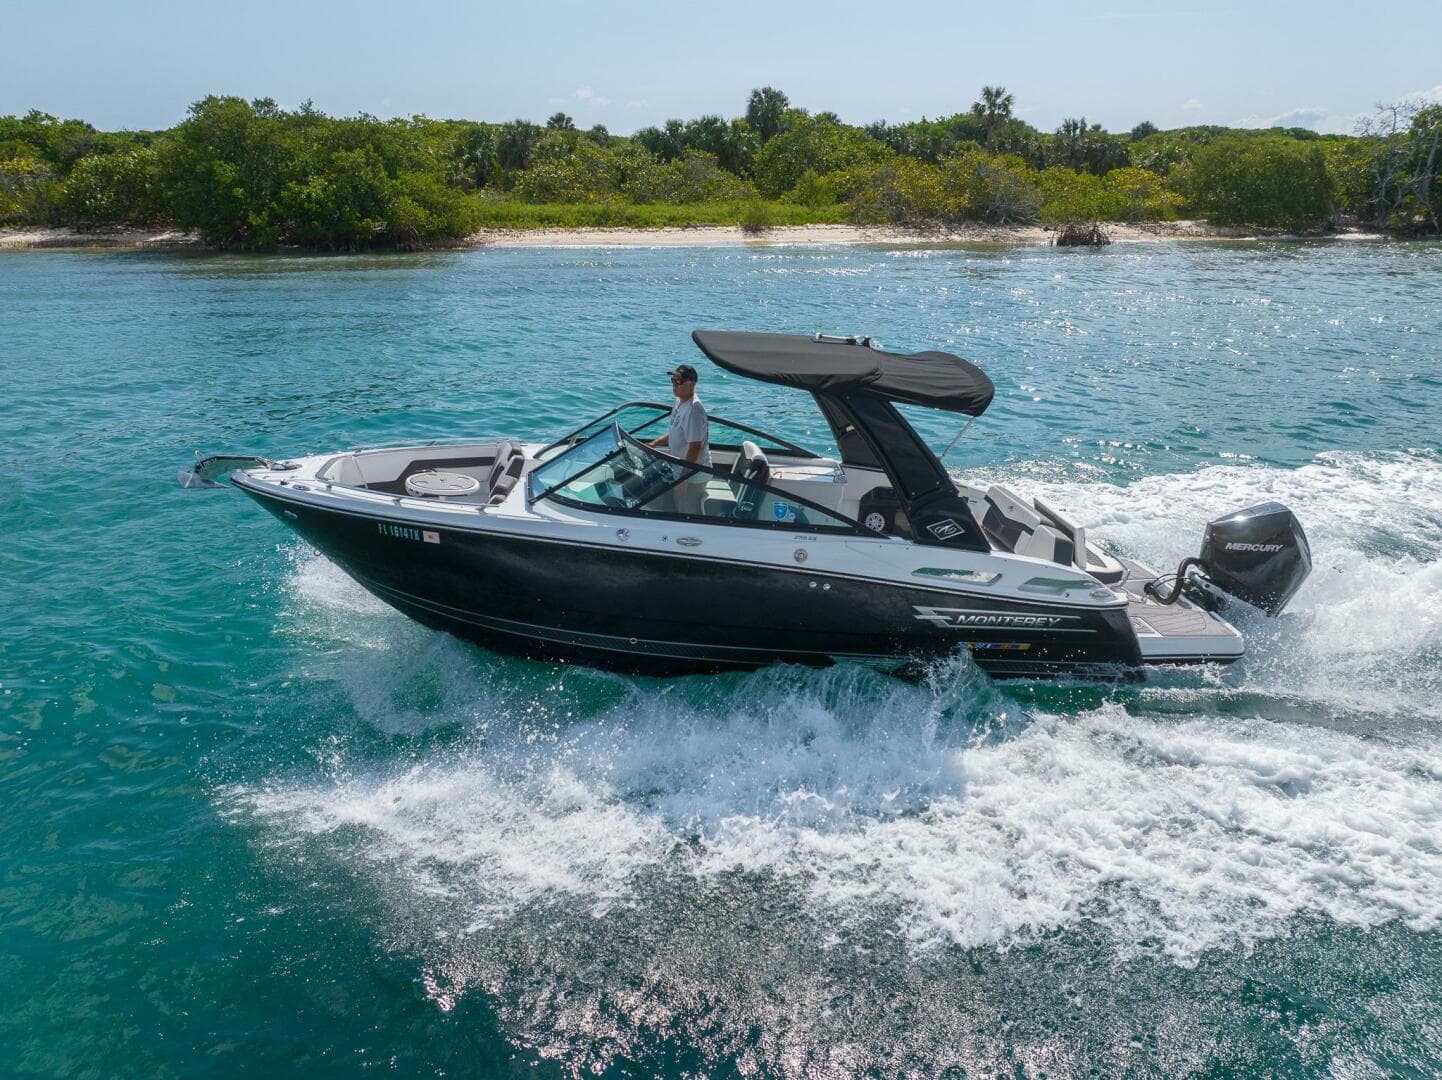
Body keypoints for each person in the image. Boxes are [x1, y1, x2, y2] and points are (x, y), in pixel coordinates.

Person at [648, 364, 711, 511]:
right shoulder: (679, 402)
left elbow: (695, 446)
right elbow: (678, 432)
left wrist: (684, 479)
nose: (674, 385)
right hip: (681, 469)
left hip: (693, 476)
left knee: (686, 512)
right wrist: (654, 444)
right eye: (672, 380)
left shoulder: (693, 410)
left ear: (691, 384)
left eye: (678, 381)